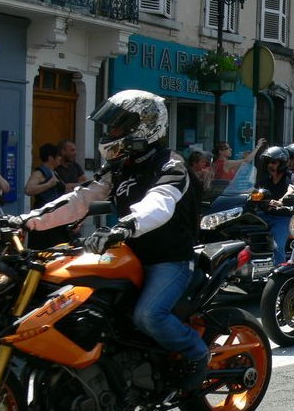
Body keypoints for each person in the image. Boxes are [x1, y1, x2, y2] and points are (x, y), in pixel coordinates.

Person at [16, 90, 207, 391]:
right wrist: (28, 220)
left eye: (118, 127)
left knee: (148, 316)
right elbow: (80, 200)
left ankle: (196, 352)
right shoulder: (120, 166)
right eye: (112, 127)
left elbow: (160, 202)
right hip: (126, 254)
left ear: (144, 126)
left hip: (168, 259)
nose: (111, 133)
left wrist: (125, 226)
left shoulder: (171, 164)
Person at [24, 143, 69, 249]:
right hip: (44, 218)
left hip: (57, 218)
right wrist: (48, 184)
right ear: (50, 158)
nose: (60, 158)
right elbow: (28, 190)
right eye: (58, 156)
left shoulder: (54, 172)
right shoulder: (40, 173)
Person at [257, 146, 294, 264]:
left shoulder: (289, 177)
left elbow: (291, 189)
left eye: (273, 162)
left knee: (276, 247)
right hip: (264, 215)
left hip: (282, 218)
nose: (270, 166)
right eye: (268, 163)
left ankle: (278, 275)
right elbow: (252, 190)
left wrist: (282, 200)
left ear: (282, 164)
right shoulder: (265, 179)